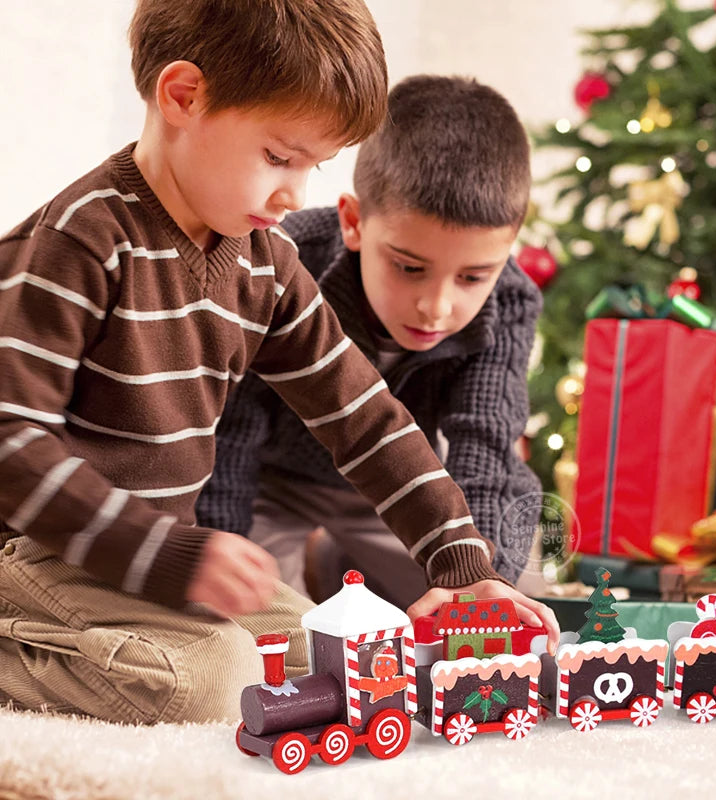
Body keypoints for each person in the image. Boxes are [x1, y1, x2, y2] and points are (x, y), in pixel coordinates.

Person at [0, 4, 557, 725]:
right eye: (279, 157)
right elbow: (10, 446)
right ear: (183, 97)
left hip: (150, 553)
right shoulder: (81, 240)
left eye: (313, 166)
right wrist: (171, 554)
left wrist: (464, 564)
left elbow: (364, 419)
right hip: (38, 550)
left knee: (342, 653)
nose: (297, 195)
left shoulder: (266, 263)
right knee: (213, 680)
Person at [197, 75, 547, 615]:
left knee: (517, 586)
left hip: (402, 491)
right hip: (273, 485)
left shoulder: (512, 301)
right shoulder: (283, 260)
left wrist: (482, 581)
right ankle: (325, 568)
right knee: (265, 625)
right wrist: (222, 543)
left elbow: (484, 443)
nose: (436, 306)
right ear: (354, 222)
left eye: (473, 277)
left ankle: (341, 563)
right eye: (409, 267)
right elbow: (232, 434)